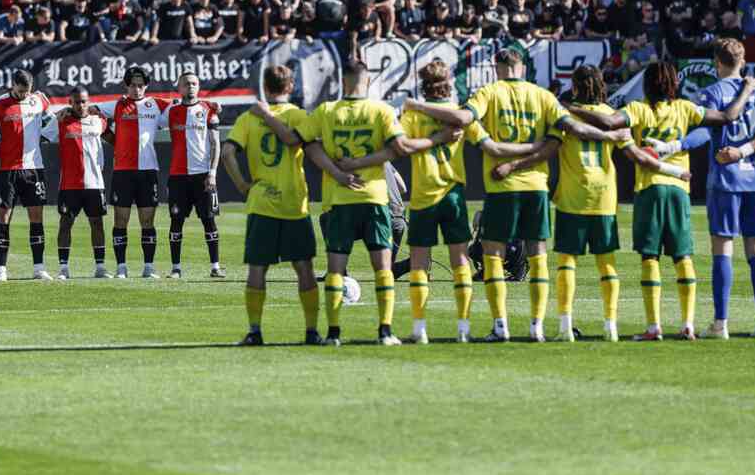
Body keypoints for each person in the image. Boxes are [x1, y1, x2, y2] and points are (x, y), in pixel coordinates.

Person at [403, 48, 632, 342]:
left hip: (501, 187)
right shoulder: (543, 96)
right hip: (537, 186)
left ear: (498, 67)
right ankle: (537, 326)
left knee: (492, 256)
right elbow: (570, 130)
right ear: (521, 67)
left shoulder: (489, 92)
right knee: (537, 256)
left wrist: (417, 107)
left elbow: (464, 120)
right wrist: (609, 136)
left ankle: (500, 326)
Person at [569, 60, 755, 341]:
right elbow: (728, 116)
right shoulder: (685, 108)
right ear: (674, 83)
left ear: (647, 84)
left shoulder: (637, 109)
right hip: (679, 189)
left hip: (649, 188)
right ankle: (687, 324)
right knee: (682, 255)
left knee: (650, 256)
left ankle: (654, 326)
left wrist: (570, 107)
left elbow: (608, 122)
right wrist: (746, 89)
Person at [496, 66, 688, 343]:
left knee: (566, 263)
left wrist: (515, 164)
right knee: (606, 265)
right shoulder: (611, 116)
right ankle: (610, 325)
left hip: (573, 195)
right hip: (604, 197)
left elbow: (548, 148)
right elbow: (635, 155)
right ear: (601, 86)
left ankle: (565, 325)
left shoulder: (565, 114)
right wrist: (674, 172)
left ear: (574, 88)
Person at [295, 60, 463, 346]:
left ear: (342, 82)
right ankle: (385, 331)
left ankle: (333, 334)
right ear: (368, 82)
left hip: (339, 200)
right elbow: (398, 148)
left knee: (336, 270)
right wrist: (440, 138)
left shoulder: (326, 111)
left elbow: (305, 142)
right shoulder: (381, 111)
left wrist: (337, 172)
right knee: (383, 269)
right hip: (375, 199)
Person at [379, 61, 547, 343]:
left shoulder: (415, 115)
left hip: (423, 197)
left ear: (423, 85)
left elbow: (402, 146)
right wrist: (534, 150)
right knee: (459, 261)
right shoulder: (459, 115)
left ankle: (419, 330)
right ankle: (463, 329)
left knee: (420, 263)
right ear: (447, 83)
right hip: (453, 194)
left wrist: (431, 139)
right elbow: (491, 147)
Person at [658, 40, 755, 340]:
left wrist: (675, 146)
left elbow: (703, 132)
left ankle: (721, 324)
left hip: (726, 180)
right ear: (742, 60)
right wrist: (746, 150)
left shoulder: (711, 93)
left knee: (723, 249)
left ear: (716, 63)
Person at [222, 65, 329, 345]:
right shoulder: (299, 116)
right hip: (295, 203)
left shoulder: (249, 117)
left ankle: (255, 331)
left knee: (257, 269)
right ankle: (311, 331)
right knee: (304, 268)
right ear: (290, 87)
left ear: (265, 87)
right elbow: (307, 147)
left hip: (262, 203)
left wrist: (243, 186)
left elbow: (227, 152)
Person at [94, 67, 172, 279]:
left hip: (148, 172)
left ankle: (148, 267)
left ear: (146, 86)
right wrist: (112, 139)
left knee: (147, 221)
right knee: (121, 220)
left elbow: (184, 107)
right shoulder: (117, 104)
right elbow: (92, 111)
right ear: (126, 86)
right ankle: (121, 267)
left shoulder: (157, 104)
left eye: (141, 85)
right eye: (133, 85)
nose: (137, 89)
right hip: (123, 173)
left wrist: (211, 106)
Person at [0, 69, 55, 281]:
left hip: (33, 168)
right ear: (13, 85)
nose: (25, 94)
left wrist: (42, 138)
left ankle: (39, 268)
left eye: (28, 91)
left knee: (36, 217)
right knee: (4, 217)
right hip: (7, 169)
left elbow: (51, 123)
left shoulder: (39, 100)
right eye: (21, 90)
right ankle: (1, 270)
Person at [157, 73, 224, 279]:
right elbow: (151, 121)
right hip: (178, 177)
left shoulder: (208, 110)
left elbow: (215, 144)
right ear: (179, 88)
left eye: (194, 83)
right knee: (176, 221)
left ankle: (215, 266)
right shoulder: (172, 111)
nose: (191, 87)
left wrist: (212, 173)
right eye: (186, 84)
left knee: (209, 220)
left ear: (199, 86)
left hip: (203, 176)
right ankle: (176, 268)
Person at [43, 86, 111, 280]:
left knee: (97, 224)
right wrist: (55, 117)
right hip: (69, 185)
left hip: (95, 184)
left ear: (88, 102)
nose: (81, 105)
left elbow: (114, 133)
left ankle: (100, 267)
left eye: (83, 101)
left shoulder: (98, 121)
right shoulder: (62, 121)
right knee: (65, 224)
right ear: (70, 102)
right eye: (76, 102)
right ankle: (63, 269)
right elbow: (41, 136)